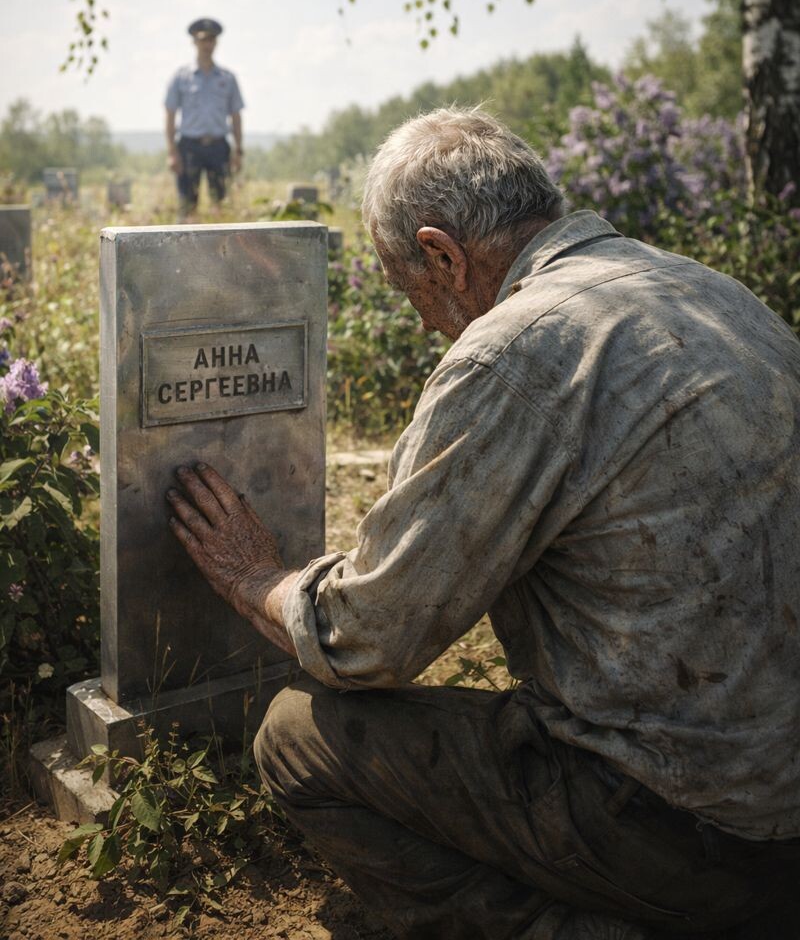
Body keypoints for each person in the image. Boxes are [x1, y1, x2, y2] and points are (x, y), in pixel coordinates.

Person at [166, 108, 800, 939]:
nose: (424, 321)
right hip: (778, 798)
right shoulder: (713, 291)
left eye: (408, 289)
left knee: (296, 737)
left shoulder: (513, 351)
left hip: (692, 828)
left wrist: (257, 578)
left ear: (442, 255)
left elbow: (370, 639)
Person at [164, 18, 244, 216]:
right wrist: (172, 152)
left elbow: (236, 116)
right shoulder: (181, 76)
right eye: (203, 40)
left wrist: (238, 151)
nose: (207, 45)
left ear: (216, 42)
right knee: (187, 207)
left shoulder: (227, 78)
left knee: (221, 205)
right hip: (189, 147)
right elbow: (170, 115)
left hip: (219, 147)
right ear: (194, 41)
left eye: (211, 40)